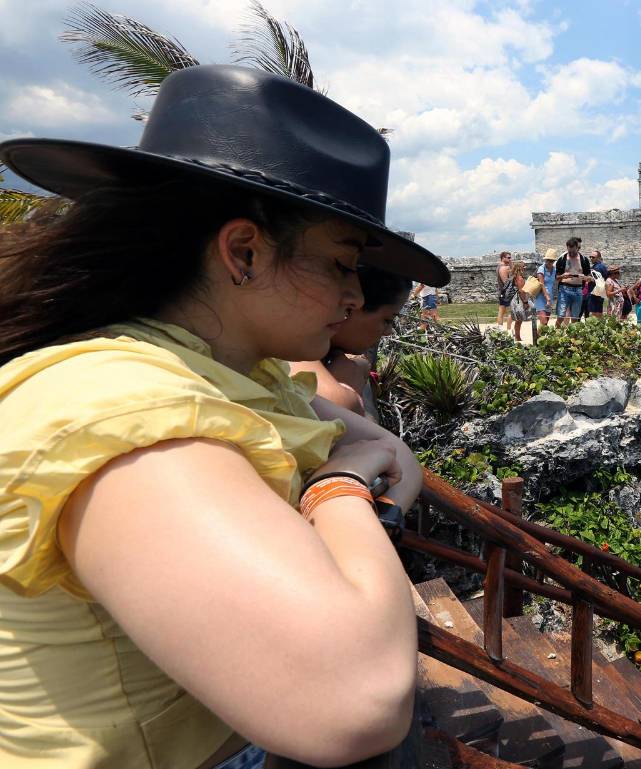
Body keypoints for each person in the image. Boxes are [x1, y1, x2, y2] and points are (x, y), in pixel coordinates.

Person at [0, 65, 434, 769]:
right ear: (244, 252)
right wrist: (341, 488)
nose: (355, 295)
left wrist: (356, 472)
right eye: (339, 263)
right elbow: (356, 697)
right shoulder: (129, 409)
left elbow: (388, 450)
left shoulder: (231, 371)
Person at [293, 264, 408, 420]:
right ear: (350, 308)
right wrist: (348, 391)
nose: (388, 331)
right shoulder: (294, 352)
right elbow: (339, 401)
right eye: (387, 320)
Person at [554, 237, 590, 327]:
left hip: (578, 289)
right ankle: (555, 335)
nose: (571, 254)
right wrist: (563, 276)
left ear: (577, 248)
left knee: (575, 316)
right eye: (569, 251)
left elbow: (589, 277)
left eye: (573, 252)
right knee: (561, 315)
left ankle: (573, 338)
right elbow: (556, 277)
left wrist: (584, 277)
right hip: (564, 288)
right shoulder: (562, 259)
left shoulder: (584, 260)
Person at [509, 260, 532, 341]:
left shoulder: (514, 277)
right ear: (520, 267)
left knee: (518, 320)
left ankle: (517, 336)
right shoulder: (520, 278)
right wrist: (525, 302)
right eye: (523, 266)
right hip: (519, 301)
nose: (525, 267)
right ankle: (517, 337)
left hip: (515, 300)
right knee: (519, 320)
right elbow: (521, 291)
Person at [534, 249, 558, 327]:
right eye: (547, 260)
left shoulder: (554, 270)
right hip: (541, 297)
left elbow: (556, 280)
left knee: (545, 323)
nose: (549, 262)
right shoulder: (541, 268)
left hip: (549, 296)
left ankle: (538, 338)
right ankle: (537, 338)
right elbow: (542, 284)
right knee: (543, 321)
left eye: (551, 261)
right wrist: (547, 297)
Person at [495, 251, 515, 329]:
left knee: (501, 312)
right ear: (503, 258)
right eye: (508, 258)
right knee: (511, 312)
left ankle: (500, 329)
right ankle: (508, 329)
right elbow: (506, 283)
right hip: (506, 293)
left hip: (502, 292)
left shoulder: (499, 266)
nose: (510, 259)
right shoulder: (504, 268)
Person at [588, 249, 608, 318]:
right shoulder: (603, 266)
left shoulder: (597, 267)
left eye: (593, 257)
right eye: (590, 257)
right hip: (601, 292)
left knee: (594, 313)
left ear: (599, 258)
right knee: (599, 311)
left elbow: (595, 280)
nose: (591, 258)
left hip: (595, 292)